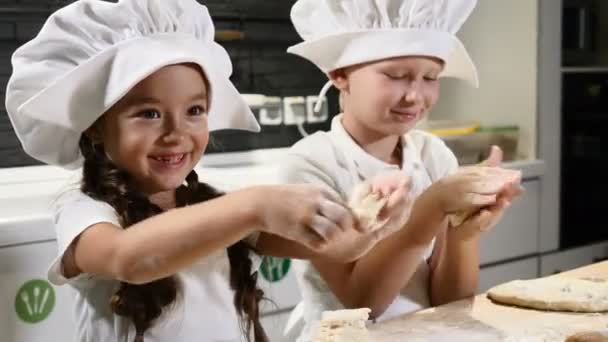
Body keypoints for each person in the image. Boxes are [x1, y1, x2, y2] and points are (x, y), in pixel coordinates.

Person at [4, 0, 388, 341]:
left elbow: (336, 247)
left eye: (195, 111)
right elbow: (127, 258)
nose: (176, 133)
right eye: (149, 114)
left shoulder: (213, 209)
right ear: (96, 127)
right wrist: (254, 205)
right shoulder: (85, 210)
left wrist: (372, 221)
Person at [280, 0, 524, 340]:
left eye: (430, 78)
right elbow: (362, 304)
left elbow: (451, 301)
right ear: (339, 74)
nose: (415, 95)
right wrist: (433, 205)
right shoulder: (312, 164)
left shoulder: (433, 155)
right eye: (396, 76)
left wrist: (463, 232)